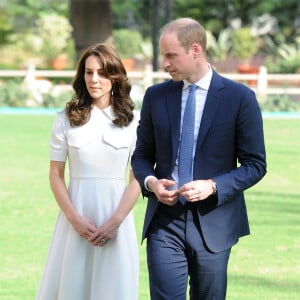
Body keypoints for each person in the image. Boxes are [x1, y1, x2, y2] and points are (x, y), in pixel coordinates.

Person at [131, 18, 267, 300]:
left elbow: (256, 165)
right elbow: (142, 156)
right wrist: (151, 182)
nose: (164, 63)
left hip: (214, 223)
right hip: (164, 222)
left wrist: (213, 185)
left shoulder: (239, 98)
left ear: (195, 50)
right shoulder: (156, 96)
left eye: (171, 55)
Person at [36, 43, 140, 300]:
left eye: (102, 73)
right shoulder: (65, 119)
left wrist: (115, 222)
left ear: (115, 77)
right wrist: (75, 219)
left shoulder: (134, 121)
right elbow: (56, 175)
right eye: (89, 72)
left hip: (116, 220)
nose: (94, 79)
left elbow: (137, 178)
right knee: (72, 287)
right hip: (75, 219)